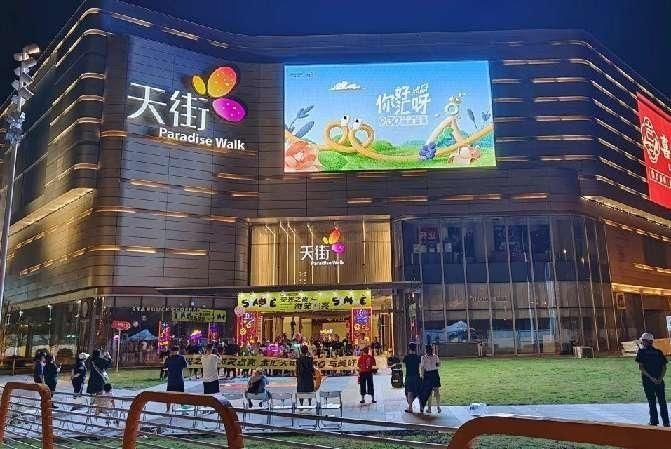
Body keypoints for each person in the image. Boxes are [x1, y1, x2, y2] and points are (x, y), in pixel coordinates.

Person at [636, 332, 669, 427]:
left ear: (645, 341)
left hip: (648, 381)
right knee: (662, 401)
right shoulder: (659, 352)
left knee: (652, 401)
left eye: (643, 340)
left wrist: (651, 378)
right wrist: (660, 379)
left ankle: (654, 421)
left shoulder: (641, 352)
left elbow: (641, 368)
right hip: (660, 381)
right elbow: (664, 367)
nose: (642, 342)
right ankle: (666, 422)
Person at [419, 345, 441, 414]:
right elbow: (438, 365)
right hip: (435, 374)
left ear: (426, 350)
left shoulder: (423, 358)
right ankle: (438, 406)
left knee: (429, 392)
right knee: (437, 391)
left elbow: (422, 368)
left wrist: (422, 376)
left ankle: (429, 408)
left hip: (428, 375)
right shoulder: (436, 356)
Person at [165, 346, 188, 411]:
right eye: (173, 351)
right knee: (170, 395)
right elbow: (165, 366)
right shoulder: (170, 358)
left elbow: (185, 365)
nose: (173, 352)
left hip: (177, 379)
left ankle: (183, 410)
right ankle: (168, 410)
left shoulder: (180, 357)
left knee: (180, 395)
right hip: (173, 379)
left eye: (174, 351)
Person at [403, 343, 422, 413]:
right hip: (417, 376)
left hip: (409, 376)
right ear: (415, 348)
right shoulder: (418, 357)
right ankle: (421, 407)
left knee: (409, 392)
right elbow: (420, 367)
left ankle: (410, 408)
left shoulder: (406, 357)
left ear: (409, 348)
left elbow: (405, 367)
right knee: (419, 392)